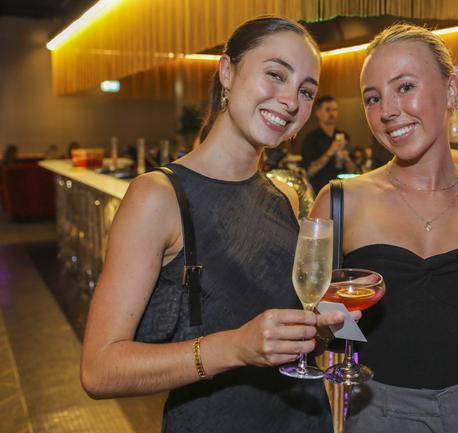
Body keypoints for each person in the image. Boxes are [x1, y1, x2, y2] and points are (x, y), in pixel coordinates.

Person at [80, 16, 352, 433]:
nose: (291, 101)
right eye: (275, 75)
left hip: (305, 419)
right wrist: (236, 348)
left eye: (306, 91)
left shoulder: (282, 197)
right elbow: (100, 370)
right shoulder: (160, 196)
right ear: (227, 71)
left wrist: (328, 325)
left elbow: (278, 326)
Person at [311, 24, 458, 433]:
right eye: (373, 97)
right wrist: (325, 324)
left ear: (452, 91)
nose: (387, 110)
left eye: (404, 87)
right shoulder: (339, 203)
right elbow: (317, 331)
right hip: (380, 412)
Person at [300, 96, 356, 193]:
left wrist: (346, 158)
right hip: (319, 192)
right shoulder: (311, 138)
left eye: (335, 110)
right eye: (328, 110)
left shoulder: (343, 136)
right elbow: (309, 172)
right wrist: (330, 151)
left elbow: (353, 171)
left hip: (343, 190)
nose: (332, 113)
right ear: (318, 113)